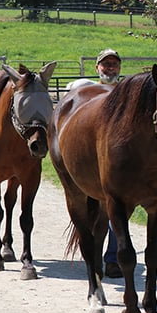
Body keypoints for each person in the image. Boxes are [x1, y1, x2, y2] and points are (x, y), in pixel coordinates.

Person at [68, 48, 123, 279]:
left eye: (114, 64)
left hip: (117, 160)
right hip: (90, 159)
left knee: (115, 212)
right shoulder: (86, 92)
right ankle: (98, 256)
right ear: (97, 68)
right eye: (105, 64)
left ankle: (112, 259)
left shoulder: (124, 92)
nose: (110, 68)